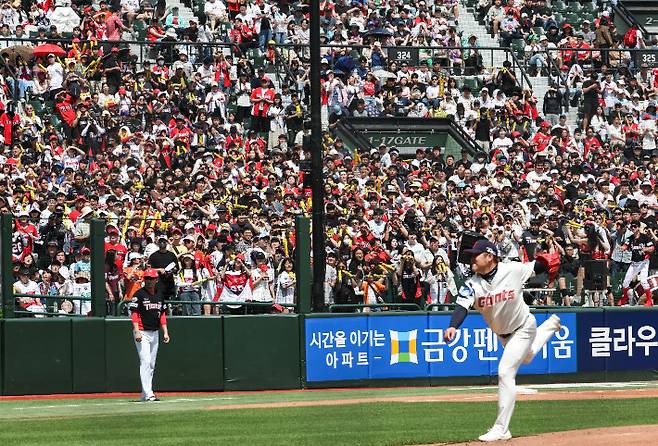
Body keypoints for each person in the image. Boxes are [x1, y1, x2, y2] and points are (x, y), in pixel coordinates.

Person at [443, 240, 561, 442]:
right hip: (504, 335)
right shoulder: (473, 284)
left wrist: (549, 258)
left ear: (490, 256)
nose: (472, 258)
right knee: (527, 357)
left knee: (505, 371)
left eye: (475, 255)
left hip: (523, 327)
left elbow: (538, 267)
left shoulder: (512, 269)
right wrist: (453, 325)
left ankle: (501, 428)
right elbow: (462, 306)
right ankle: (551, 325)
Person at [129, 268, 170, 402]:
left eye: (151, 279)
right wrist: (136, 331)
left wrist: (165, 331)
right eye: (147, 278)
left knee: (151, 363)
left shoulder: (159, 294)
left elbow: (162, 314)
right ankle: (149, 393)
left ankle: (144, 393)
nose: (149, 281)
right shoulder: (139, 294)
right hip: (142, 331)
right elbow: (134, 313)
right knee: (145, 361)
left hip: (154, 332)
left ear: (156, 280)